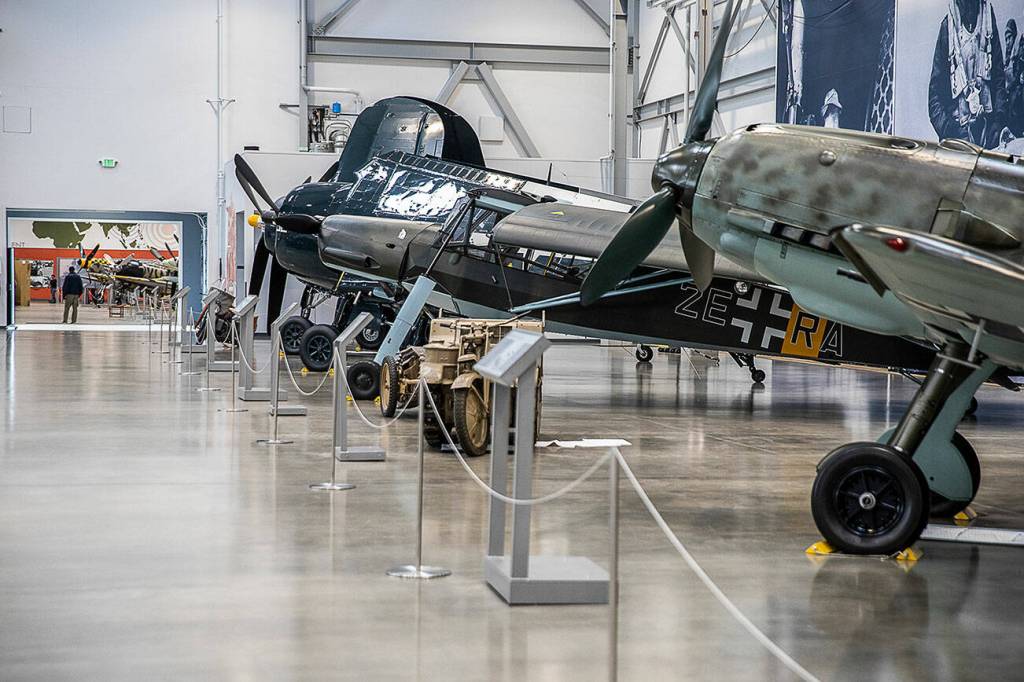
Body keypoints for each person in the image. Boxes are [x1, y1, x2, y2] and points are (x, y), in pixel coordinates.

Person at [929, 0, 1008, 148]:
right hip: (958, 136)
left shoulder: (988, 23)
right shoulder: (947, 28)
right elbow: (934, 99)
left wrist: (998, 121)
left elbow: (999, 79)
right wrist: (951, 131)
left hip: (989, 135)